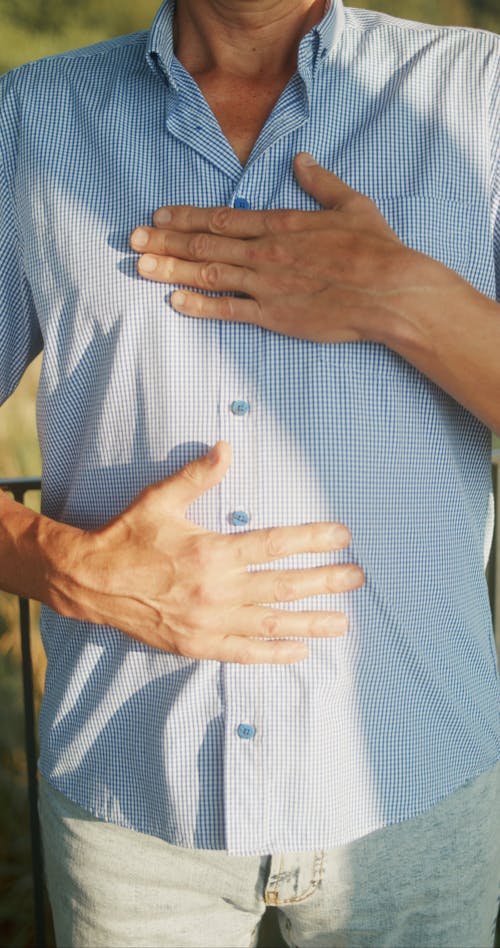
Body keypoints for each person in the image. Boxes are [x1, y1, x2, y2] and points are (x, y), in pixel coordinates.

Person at [0, 0, 499, 945]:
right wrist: (56, 565)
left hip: (417, 801)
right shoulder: (27, 121)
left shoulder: (481, 96)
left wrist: (405, 297)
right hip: (132, 816)